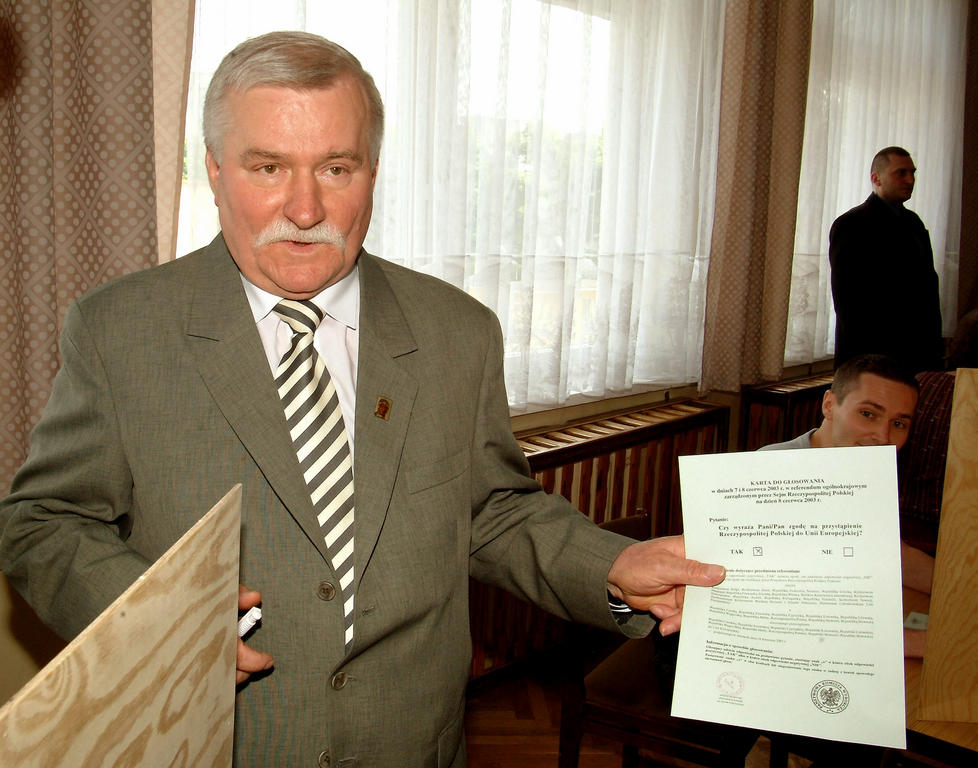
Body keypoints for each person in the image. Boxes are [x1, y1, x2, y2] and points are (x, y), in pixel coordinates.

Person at [0, 32, 724, 767]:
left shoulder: (458, 333)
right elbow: (43, 522)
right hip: (218, 744)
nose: (305, 207)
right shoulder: (119, 329)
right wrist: (161, 619)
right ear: (215, 173)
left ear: (372, 171)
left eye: (336, 167)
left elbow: (491, 510)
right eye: (268, 167)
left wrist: (611, 566)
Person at [759, 354, 934, 658]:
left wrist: (961, 587)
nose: (883, 437)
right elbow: (779, 616)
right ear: (829, 405)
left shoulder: (865, 471)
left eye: (898, 423)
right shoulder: (771, 473)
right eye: (868, 414)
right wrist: (914, 642)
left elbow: (893, 554)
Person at [828, 146, 943, 374]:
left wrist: (933, 349)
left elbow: (928, 288)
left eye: (913, 173)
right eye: (901, 173)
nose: (910, 180)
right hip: (871, 357)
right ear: (876, 178)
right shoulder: (852, 224)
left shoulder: (914, 224)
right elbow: (848, 301)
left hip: (916, 355)